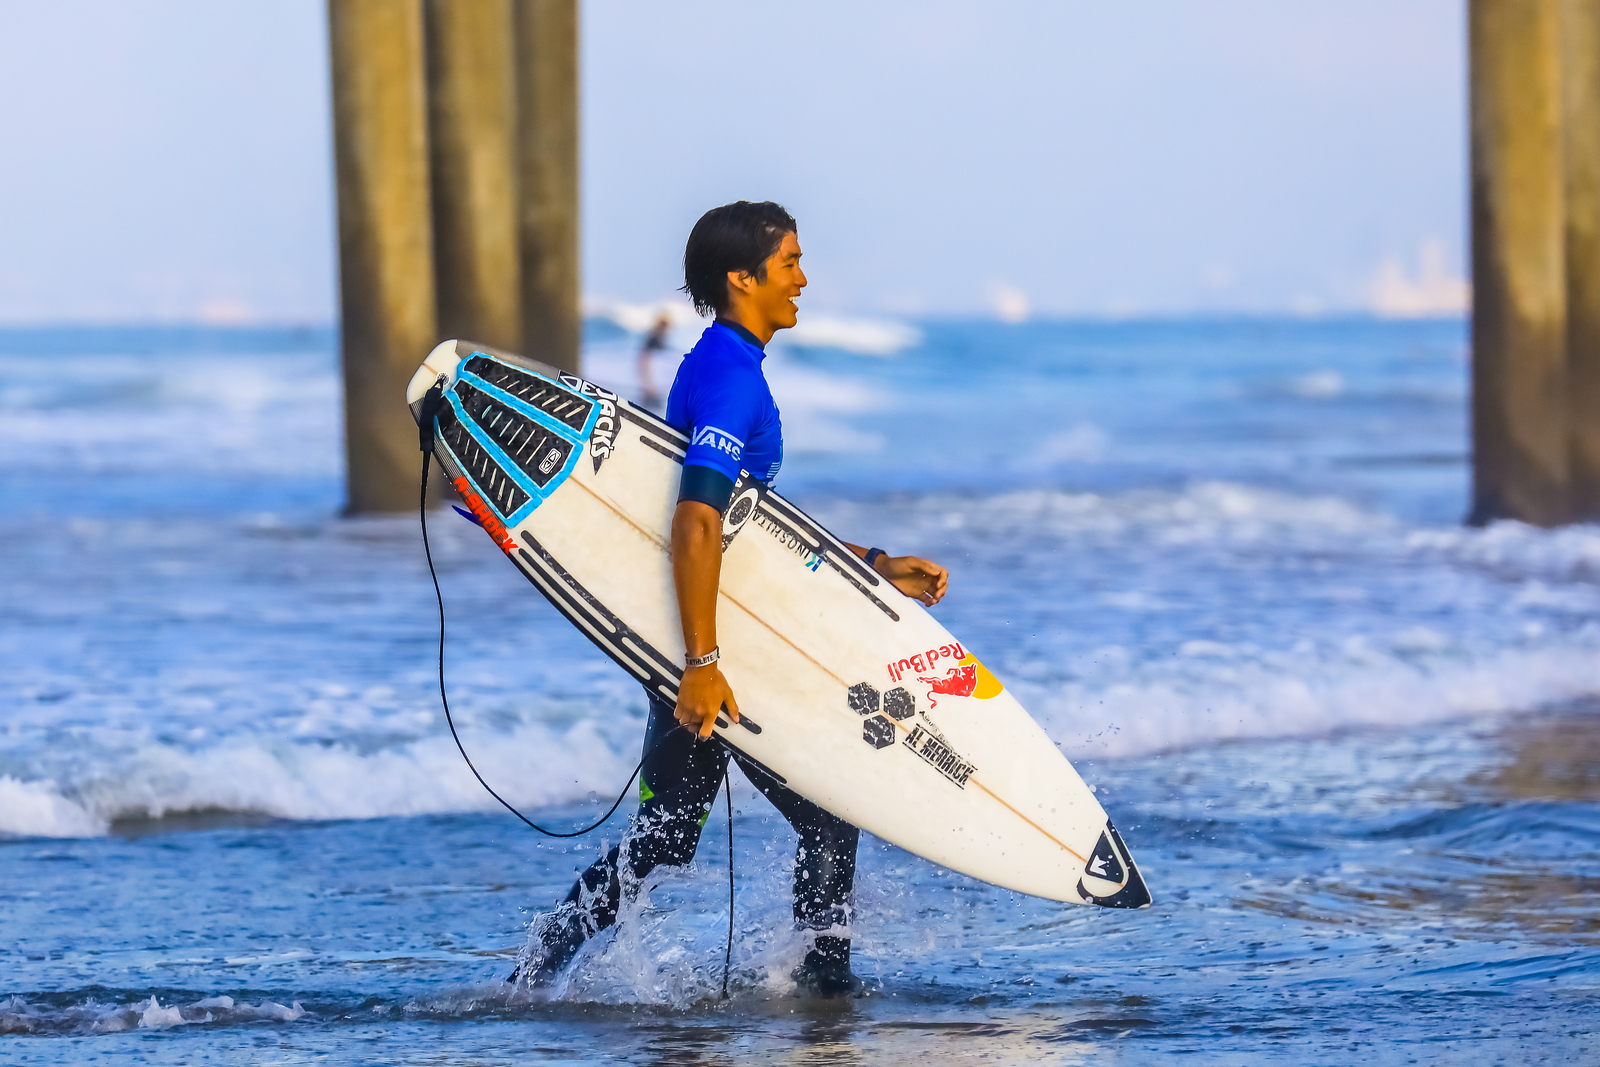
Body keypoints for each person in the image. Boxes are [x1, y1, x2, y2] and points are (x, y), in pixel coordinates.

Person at [519, 201, 950, 997]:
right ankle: (822, 994)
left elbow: (750, 534)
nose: (802, 278)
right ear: (740, 278)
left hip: (709, 646)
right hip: (716, 657)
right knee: (820, 817)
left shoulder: (731, 366)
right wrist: (703, 664)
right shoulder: (727, 376)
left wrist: (874, 566)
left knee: (665, 841)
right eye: (788, 262)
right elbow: (695, 523)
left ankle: (528, 980)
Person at [636, 312, 672, 409]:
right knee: (648, 380)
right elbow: (657, 346)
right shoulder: (658, 332)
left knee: (647, 380)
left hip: (645, 356)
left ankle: (648, 399)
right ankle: (649, 399)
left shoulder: (654, 331)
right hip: (647, 357)